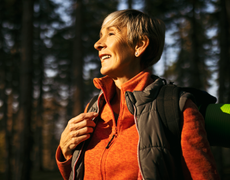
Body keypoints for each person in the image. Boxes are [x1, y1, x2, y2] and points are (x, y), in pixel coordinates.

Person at [56, 9, 220, 180]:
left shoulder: (176, 106)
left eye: (111, 33)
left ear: (139, 45)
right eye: (100, 35)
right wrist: (66, 151)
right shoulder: (95, 107)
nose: (98, 44)